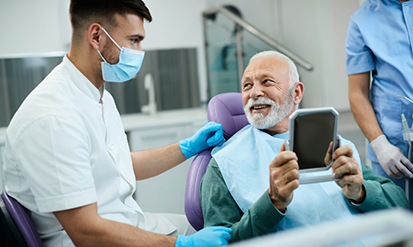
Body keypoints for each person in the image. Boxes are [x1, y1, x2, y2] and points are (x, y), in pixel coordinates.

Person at [3, 0, 232, 246]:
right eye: (134, 40)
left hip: (122, 221)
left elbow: (117, 165)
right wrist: (178, 245)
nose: (140, 51)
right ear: (96, 36)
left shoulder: (98, 96)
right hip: (89, 239)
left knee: (216, 228)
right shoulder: (53, 117)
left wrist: (187, 148)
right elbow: (86, 232)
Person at [200, 50, 409, 243]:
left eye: (267, 82)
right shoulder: (224, 164)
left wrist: (361, 192)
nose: (254, 93)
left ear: (297, 93)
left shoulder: (335, 144)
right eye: (247, 85)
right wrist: (273, 203)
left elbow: (401, 205)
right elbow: (219, 243)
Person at [345, 0, 413, 208]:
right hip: (391, 141)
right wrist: (380, 144)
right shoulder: (362, 20)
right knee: (392, 216)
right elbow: (357, 92)